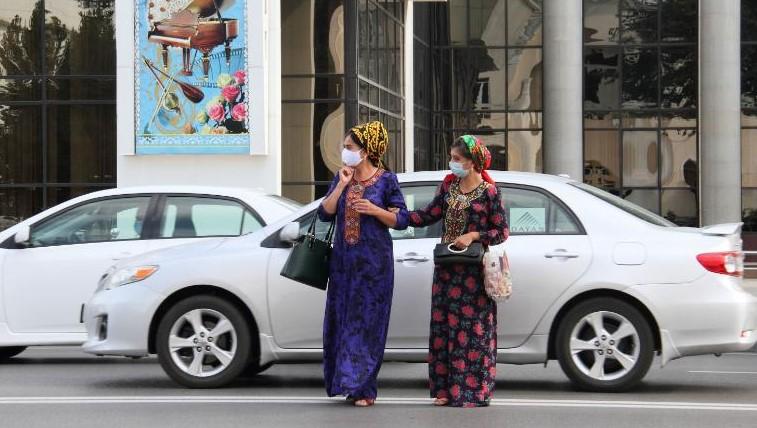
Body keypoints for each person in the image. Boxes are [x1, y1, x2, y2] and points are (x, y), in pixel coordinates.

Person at [407, 135, 509, 408]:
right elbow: (428, 215)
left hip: (473, 275)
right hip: (446, 272)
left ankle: (471, 392)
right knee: (443, 328)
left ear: (474, 163)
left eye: (457, 159)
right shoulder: (448, 186)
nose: (452, 164)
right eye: (451, 158)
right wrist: (396, 216)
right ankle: (444, 390)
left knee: (472, 332)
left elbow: (501, 232)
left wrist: (473, 235)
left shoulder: (490, 192)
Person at [317, 121, 409, 407]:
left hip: (374, 267)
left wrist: (376, 210)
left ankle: (365, 388)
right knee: (342, 322)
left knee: (368, 324)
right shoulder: (341, 176)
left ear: (367, 151)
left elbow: (402, 219)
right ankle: (344, 382)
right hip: (343, 265)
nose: (344, 152)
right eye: (345, 148)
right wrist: (341, 186)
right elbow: (324, 214)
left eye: (349, 148)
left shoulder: (386, 181)